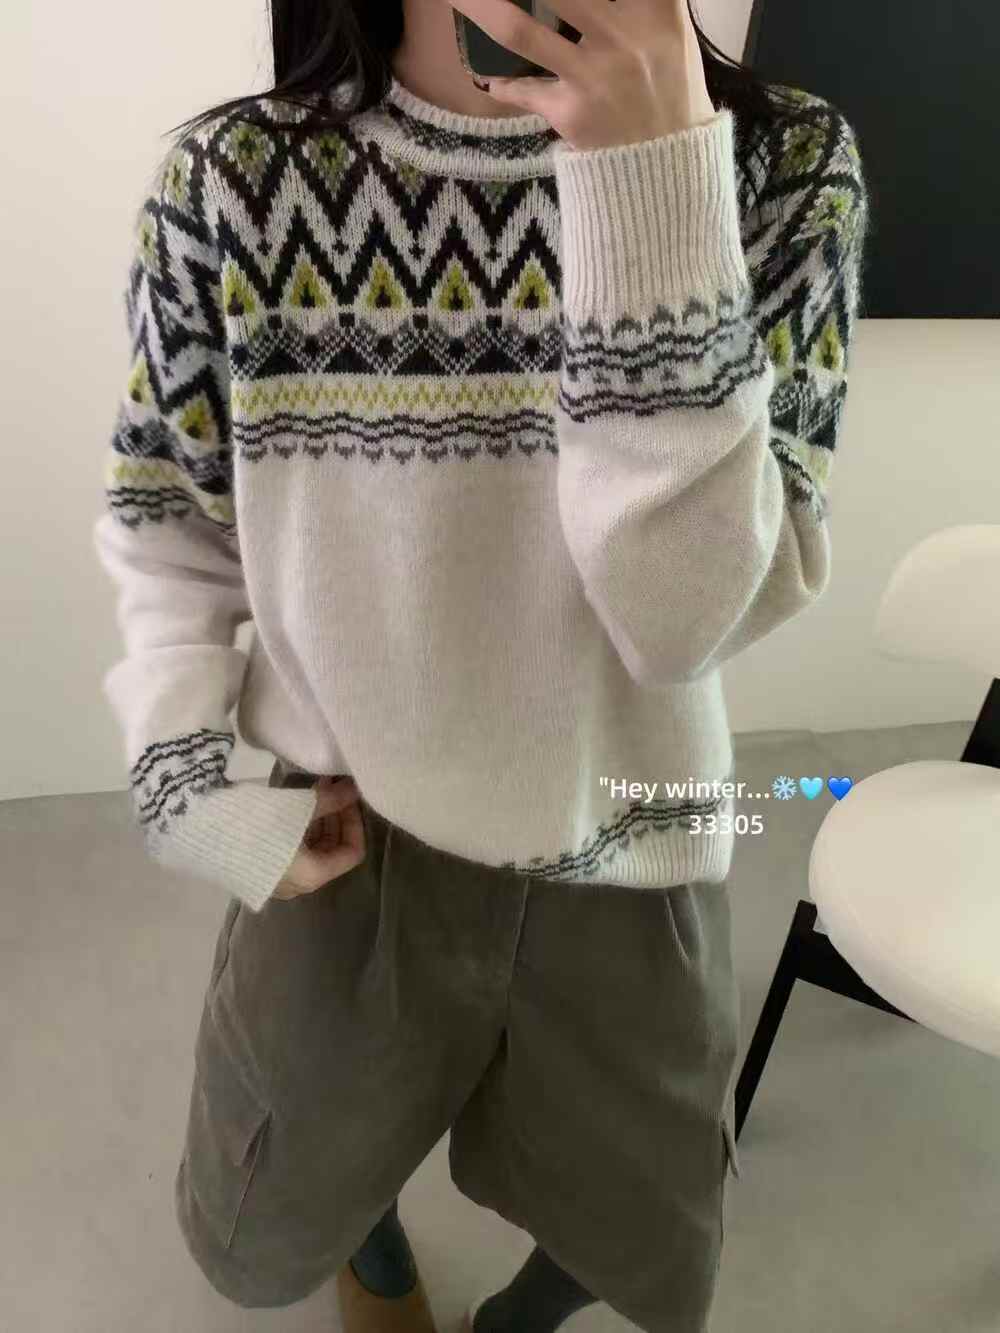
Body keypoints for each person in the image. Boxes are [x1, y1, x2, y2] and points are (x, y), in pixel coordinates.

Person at [94, 1, 869, 1329]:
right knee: (271, 1208)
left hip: (635, 821)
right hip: (349, 826)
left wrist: (652, 185)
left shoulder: (784, 167)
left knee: (640, 1221)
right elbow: (169, 514)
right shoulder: (235, 179)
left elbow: (682, 622)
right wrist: (181, 771)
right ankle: (375, 1238)